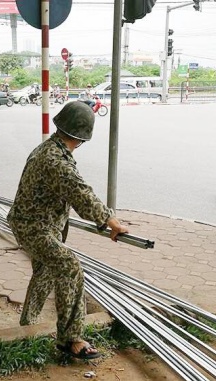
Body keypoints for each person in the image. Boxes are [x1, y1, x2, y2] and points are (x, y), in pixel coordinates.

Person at [7, 102, 128, 360]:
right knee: (70, 267)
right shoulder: (55, 160)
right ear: (83, 136)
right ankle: (71, 339)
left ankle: (27, 324)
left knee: (46, 271)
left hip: (32, 224)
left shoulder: (48, 149)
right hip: (35, 228)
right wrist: (110, 221)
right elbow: (79, 193)